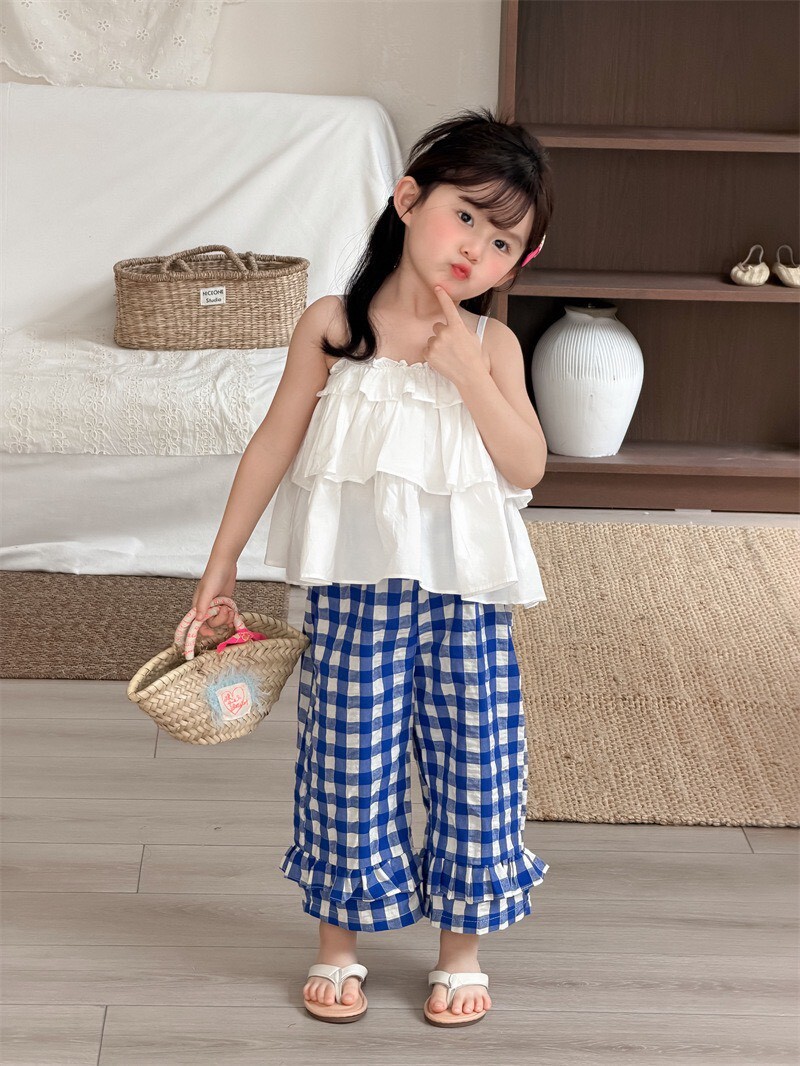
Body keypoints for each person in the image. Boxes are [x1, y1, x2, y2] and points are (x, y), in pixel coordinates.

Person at [191, 106, 554, 1027]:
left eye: (502, 242)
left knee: (478, 766)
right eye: (465, 215)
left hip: (466, 601)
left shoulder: (494, 345)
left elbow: (527, 466)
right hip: (356, 598)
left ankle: (460, 954)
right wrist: (221, 564)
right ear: (407, 199)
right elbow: (274, 443)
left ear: (519, 265)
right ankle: (339, 943)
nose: (475, 248)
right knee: (347, 763)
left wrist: (465, 371)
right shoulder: (333, 325)